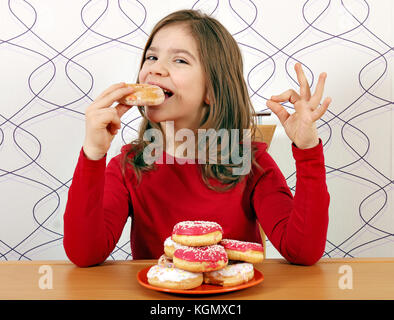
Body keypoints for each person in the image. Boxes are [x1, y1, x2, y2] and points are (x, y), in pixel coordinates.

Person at [63, 9, 331, 267]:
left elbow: (302, 251)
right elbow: (84, 254)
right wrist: (93, 154)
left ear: (212, 90)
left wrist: (307, 150)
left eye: (179, 60)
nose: (156, 69)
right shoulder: (129, 166)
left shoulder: (251, 163)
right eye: (151, 57)